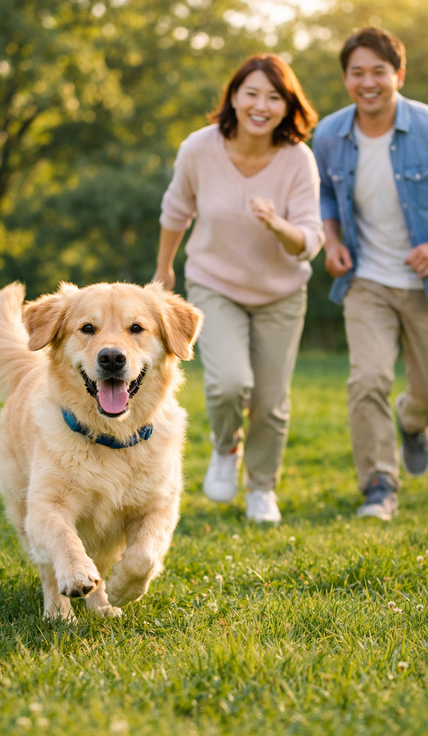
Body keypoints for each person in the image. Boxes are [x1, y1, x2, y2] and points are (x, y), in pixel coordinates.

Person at [153, 54, 324, 523]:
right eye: (251, 93)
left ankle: (262, 488)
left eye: (274, 96)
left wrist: (277, 224)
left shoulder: (297, 160)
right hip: (215, 285)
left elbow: (310, 241)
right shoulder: (199, 148)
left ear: (288, 106)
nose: (261, 105)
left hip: (281, 295)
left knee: (270, 401)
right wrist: (164, 269)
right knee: (229, 382)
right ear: (233, 96)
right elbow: (176, 211)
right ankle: (226, 447)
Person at [313, 27, 428, 521]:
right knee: (366, 377)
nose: (367, 82)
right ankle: (378, 485)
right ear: (346, 78)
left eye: (378, 71)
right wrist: (332, 241)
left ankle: (412, 420)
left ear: (399, 74)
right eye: (357, 72)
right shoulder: (329, 134)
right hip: (367, 280)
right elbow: (324, 194)